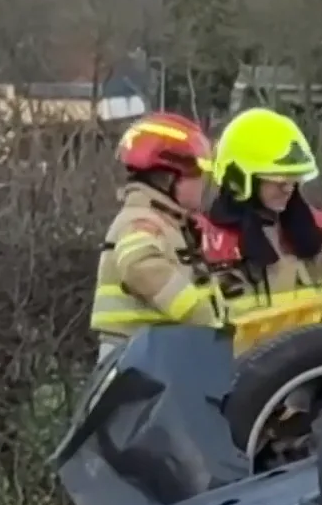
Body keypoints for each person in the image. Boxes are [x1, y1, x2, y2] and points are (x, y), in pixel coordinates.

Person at [201, 108, 322, 335]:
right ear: (240, 178)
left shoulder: (315, 232)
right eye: (277, 180)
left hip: (308, 367)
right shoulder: (206, 240)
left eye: (294, 179)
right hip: (238, 367)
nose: (288, 188)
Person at [91, 111, 226, 361]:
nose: (204, 183)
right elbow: (140, 265)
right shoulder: (142, 220)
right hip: (136, 358)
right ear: (167, 178)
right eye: (197, 175)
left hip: (152, 354)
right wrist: (203, 316)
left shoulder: (168, 222)